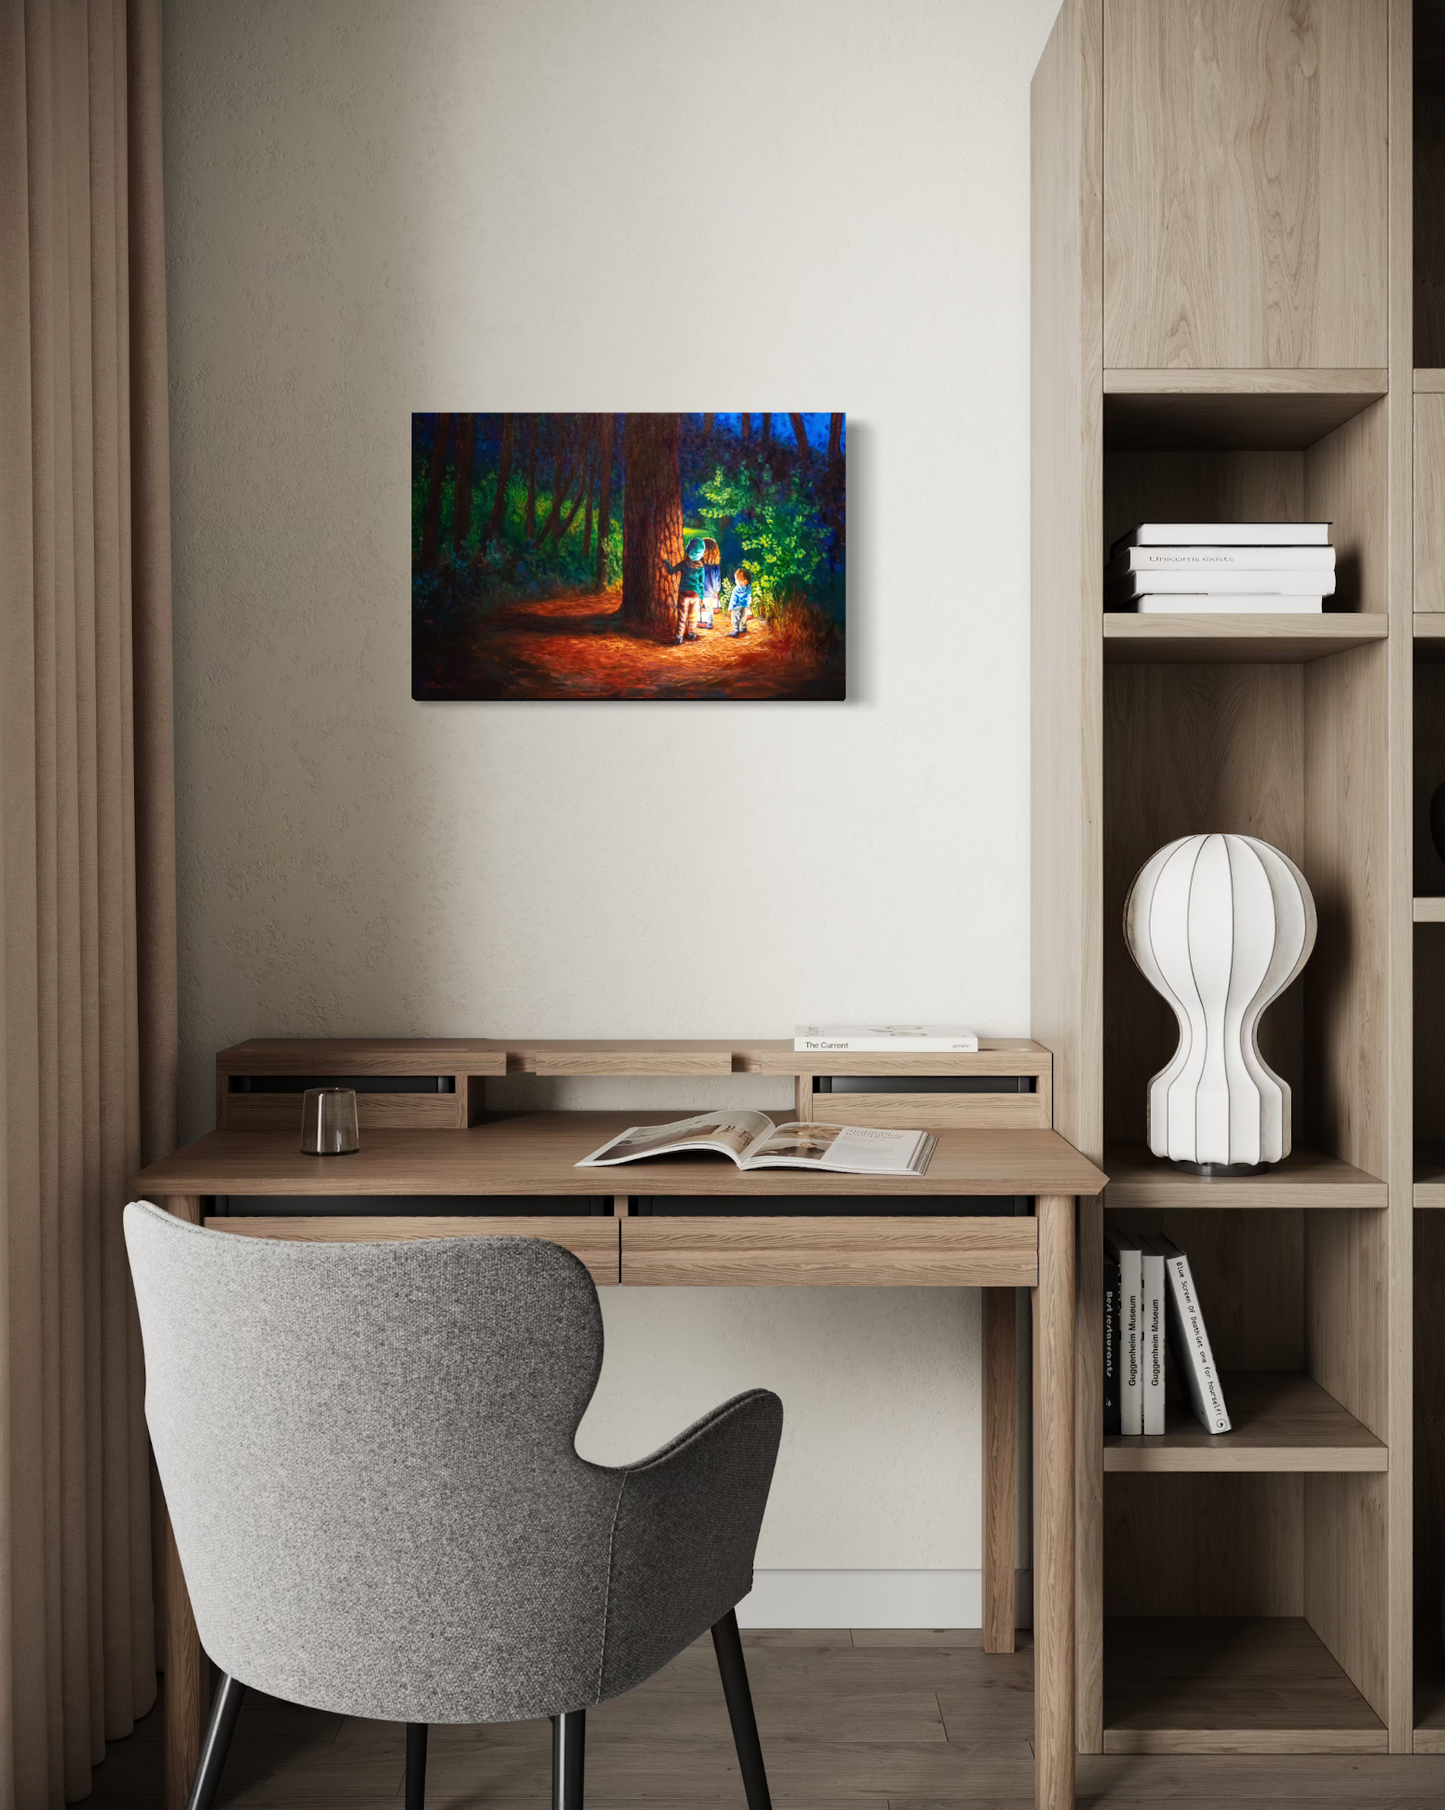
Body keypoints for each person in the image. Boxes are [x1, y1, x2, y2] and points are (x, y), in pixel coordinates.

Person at [662, 537, 708, 642]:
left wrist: (665, 560)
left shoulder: (683, 564)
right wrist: (701, 597)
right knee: (693, 615)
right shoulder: (701, 568)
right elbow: (701, 584)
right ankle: (692, 633)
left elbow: (671, 571)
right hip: (695, 595)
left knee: (682, 616)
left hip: (684, 593)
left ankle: (679, 637)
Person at [700, 537, 723, 629]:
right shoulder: (715, 566)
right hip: (710, 592)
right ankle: (709, 624)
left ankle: (697, 622)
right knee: (709, 608)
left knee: (698, 607)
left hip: (700, 590)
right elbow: (717, 580)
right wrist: (716, 591)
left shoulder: (699, 564)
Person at [728, 566, 754, 637]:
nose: (735, 581)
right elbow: (749, 597)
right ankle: (742, 629)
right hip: (744, 607)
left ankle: (735, 631)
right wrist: (748, 604)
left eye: (736, 579)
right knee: (743, 618)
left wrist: (730, 608)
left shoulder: (736, 589)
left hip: (736, 608)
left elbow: (733, 600)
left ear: (739, 580)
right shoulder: (748, 588)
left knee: (735, 619)